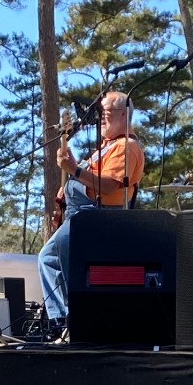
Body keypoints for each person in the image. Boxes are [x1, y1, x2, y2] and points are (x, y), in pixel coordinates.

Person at [38, 90, 145, 329]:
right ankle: (65, 319)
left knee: (56, 259)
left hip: (99, 217)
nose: (100, 118)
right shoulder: (106, 147)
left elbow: (108, 186)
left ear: (122, 114)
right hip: (81, 215)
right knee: (56, 261)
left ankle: (68, 320)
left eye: (104, 112)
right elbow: (88, 177)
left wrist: (75, 171)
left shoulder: (126, 146)